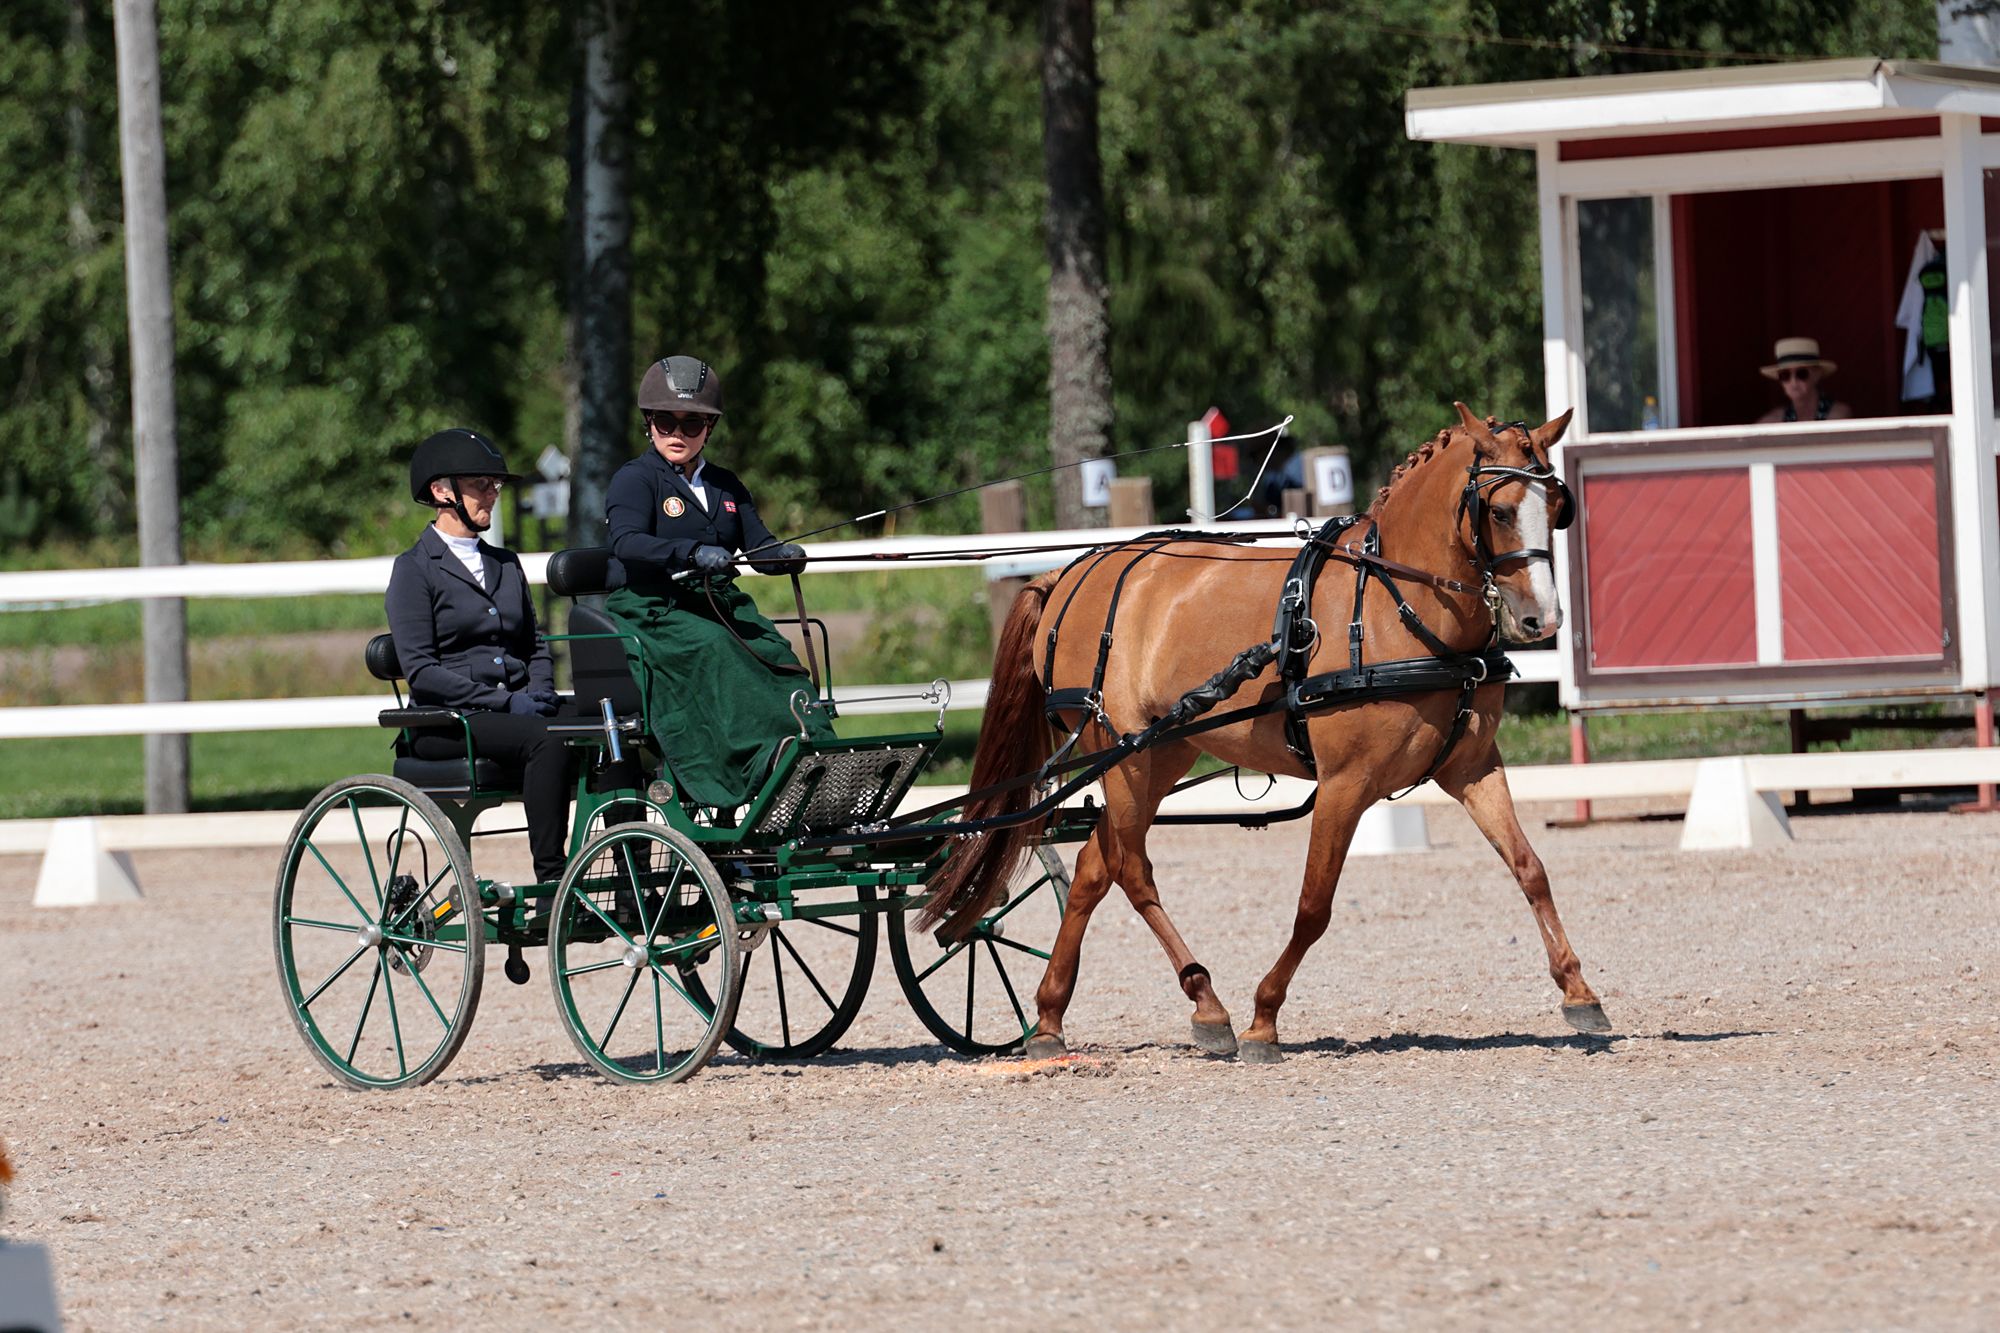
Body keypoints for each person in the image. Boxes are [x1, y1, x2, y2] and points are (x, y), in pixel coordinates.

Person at [602, 354, 831, 809]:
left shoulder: (726, 486)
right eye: (667, 423)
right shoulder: (635, 479)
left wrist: (782, 557)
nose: (678, 435)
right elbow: (626, 542)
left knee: (773, 650)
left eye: (692, 425)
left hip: (717, 603)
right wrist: (688, 552)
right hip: (653, 609)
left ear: (709, 428)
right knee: (718, 651)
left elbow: (759, 545)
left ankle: (812, 749)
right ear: (649, 423)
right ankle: (756, 760)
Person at [385, 428, 573, 884]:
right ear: (441, 492)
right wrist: (509, 703)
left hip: (513, 712)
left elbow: (534, 646)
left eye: (495, 485)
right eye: (481, 485)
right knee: (546, 738)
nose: (493, 493)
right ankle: (553, 879)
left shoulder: (505, 564)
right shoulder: (414, 570)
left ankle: (630, 869)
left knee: (608, 721)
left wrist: (541, 692)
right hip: (445, 721)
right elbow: (423, 673)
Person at [1757, 337, 1853, 424]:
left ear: (1817, 374)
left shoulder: (1838, 414)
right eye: (1785, 375)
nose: (1793, 382)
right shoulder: (1772, 420)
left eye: (1801, 374)